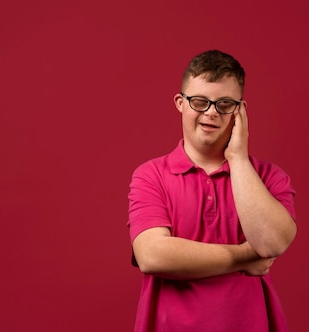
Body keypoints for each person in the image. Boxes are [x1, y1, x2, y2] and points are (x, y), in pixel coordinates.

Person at [127, 49, 297, 331]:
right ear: (180, 103)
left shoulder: (270, 177)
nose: (211, 112)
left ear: (240, 110)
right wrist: (246, 256)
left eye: (225, 104)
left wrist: (238, 159)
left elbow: (272, 243)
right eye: (200, 101)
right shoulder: (150, 175)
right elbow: (153, 255)